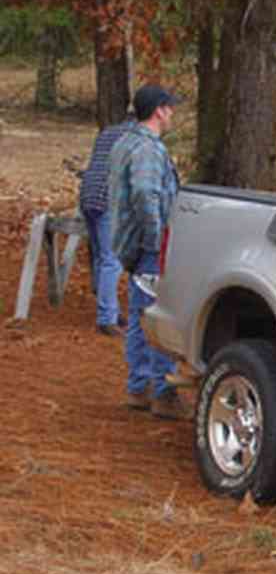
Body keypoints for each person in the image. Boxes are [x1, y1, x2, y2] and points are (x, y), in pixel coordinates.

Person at [108, 84, 187, 419]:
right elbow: (144, 194)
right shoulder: (148, 150)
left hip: (132, 244)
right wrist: (156, 241)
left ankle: (138, 388)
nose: (172, 115)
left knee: (141, 318)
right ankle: (162, 393)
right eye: (170, 109)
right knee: (155, 318)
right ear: (159, 110)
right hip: (149, 248)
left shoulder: (124, 142)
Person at [78, 112, 136, 336]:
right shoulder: (136, 138)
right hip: (108, 200)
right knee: (112, 260)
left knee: (101, 257)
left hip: (88, 196)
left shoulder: (107, 133)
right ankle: (106, 319)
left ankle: (109, 309)